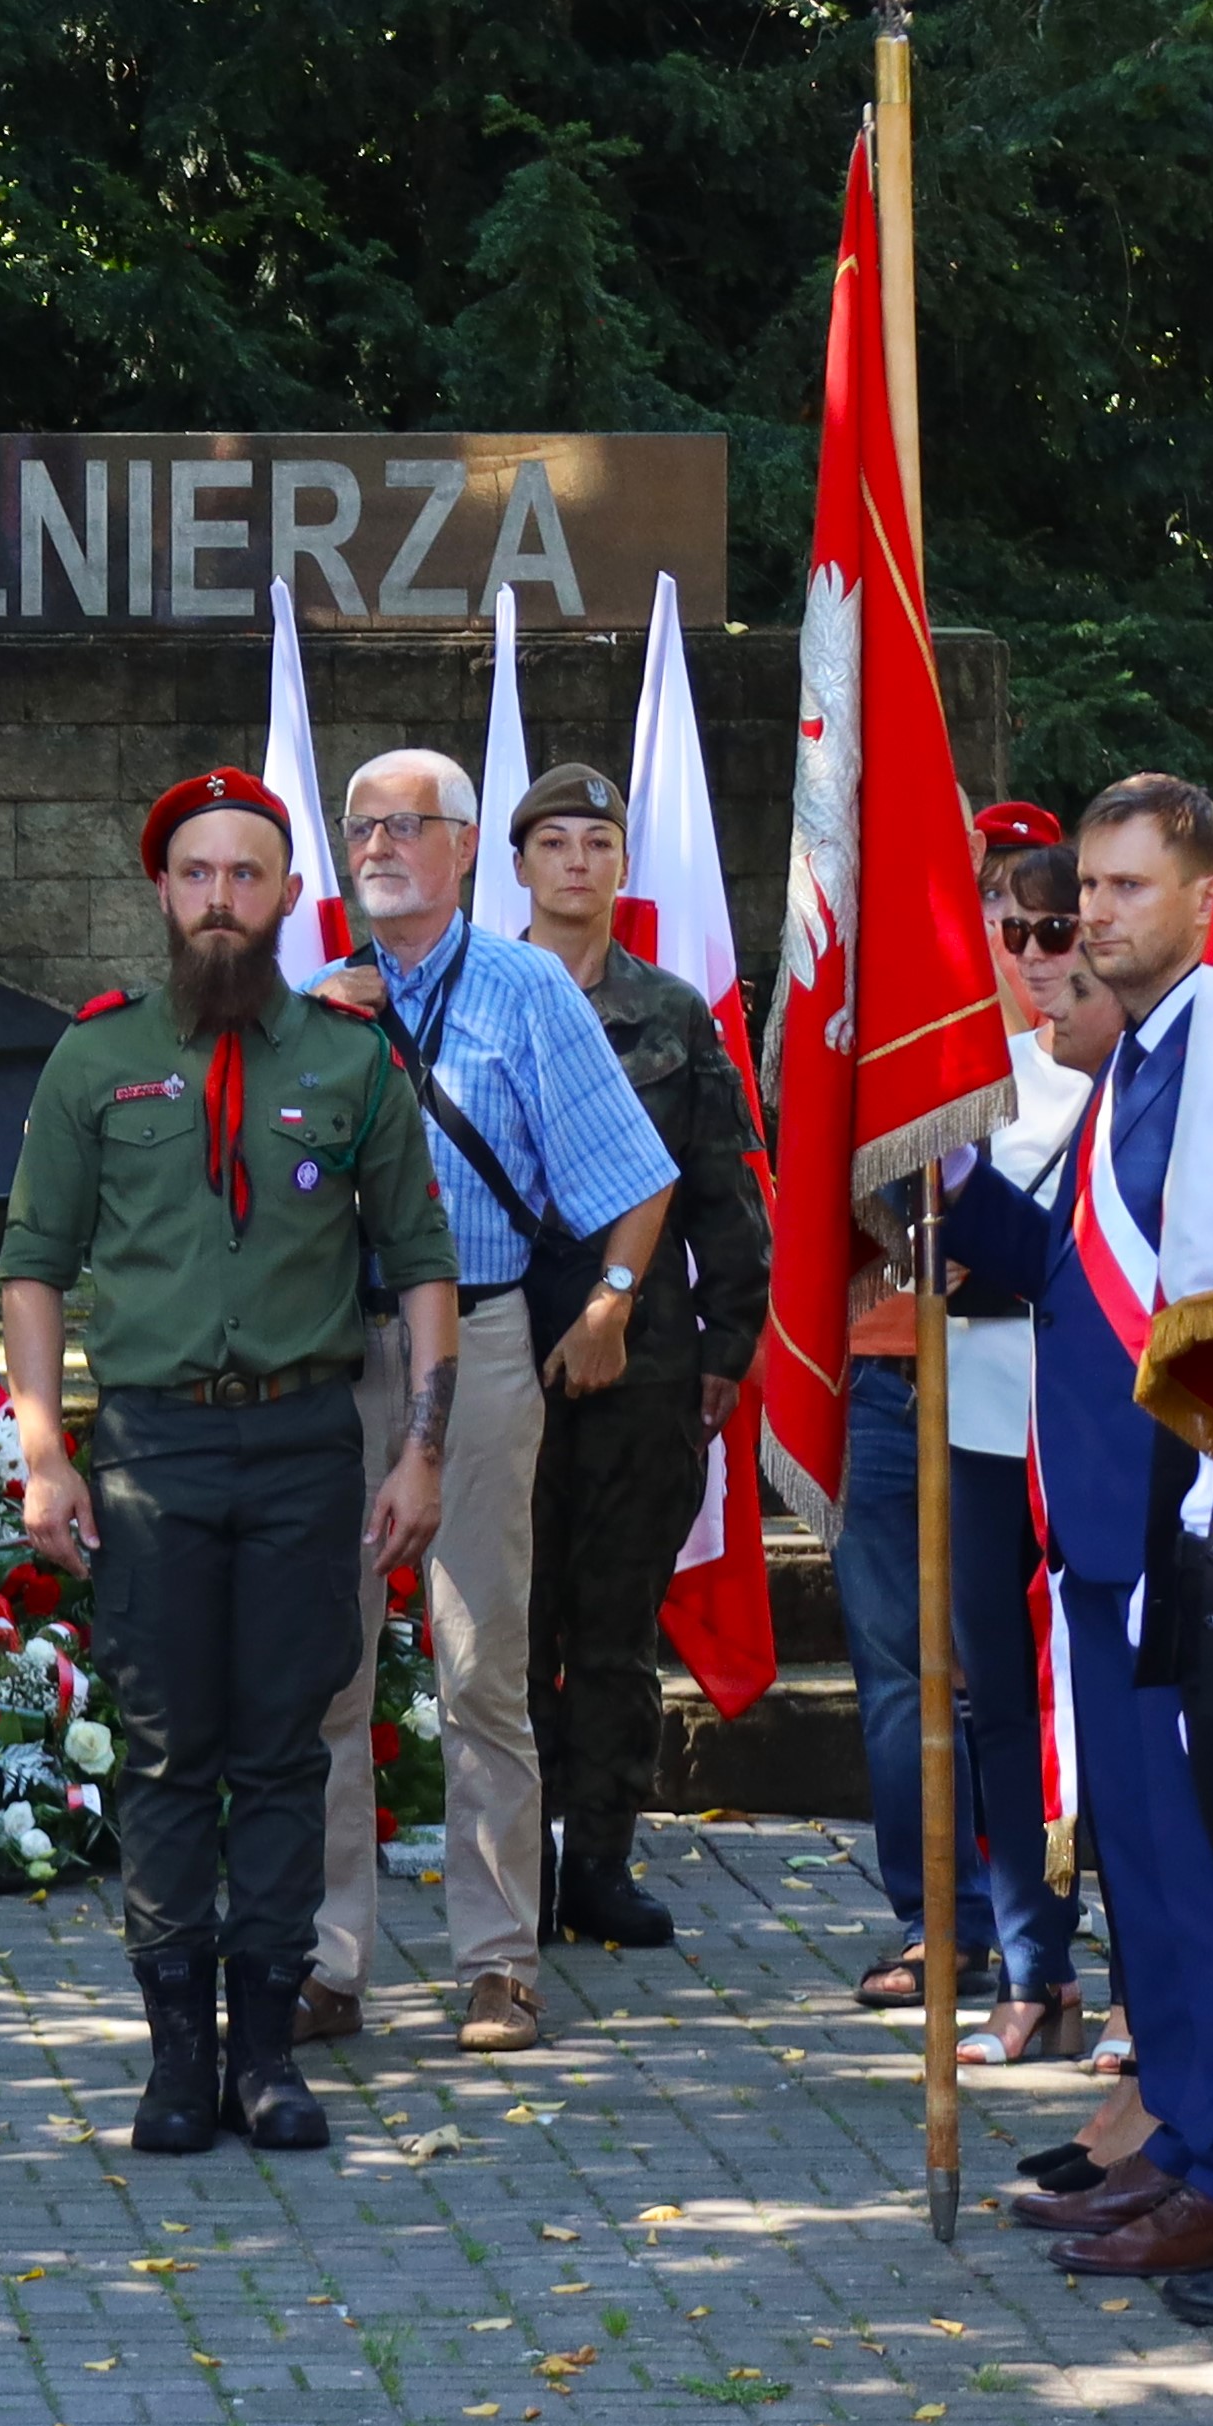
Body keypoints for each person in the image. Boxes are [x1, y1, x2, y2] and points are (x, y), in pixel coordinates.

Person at [935, 774, 1213, 2329]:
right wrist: (923, 1150)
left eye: (1125, 890)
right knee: (1148, 1866)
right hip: (1104, 1534)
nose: (1094, 918)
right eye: (1086, 896)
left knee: (1201, 1875)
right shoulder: (1143, 1055)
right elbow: (1057, 1262)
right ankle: (1196, 2130)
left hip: (1183, 1524)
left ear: (1207, 895)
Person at [5, 774, 454, 2156]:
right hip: (155, 1444)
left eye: (246, 876)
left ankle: (265, 2054)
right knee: (162, 1755)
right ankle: (170, 2062)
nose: (219, 899)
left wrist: (422, 1449)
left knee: (280, 1755)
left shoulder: (348, 1060)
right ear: (162, 892)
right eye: (196, 874)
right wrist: (43, 1449)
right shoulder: (96, 1060)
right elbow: (33, 1267)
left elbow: (426, 1267)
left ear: (280, 896)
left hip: (309, 1442)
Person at [302, 745, 675, 2054]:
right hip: (339, 1358)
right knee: (331, 1674)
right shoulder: (314, 1004)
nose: (385, 844)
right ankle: (325, 1960)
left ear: (466, 851)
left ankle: (499, 1960)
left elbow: (638, 1170)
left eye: (414, 825)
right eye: (364, 826)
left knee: (481, 1663)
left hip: (486, 1338)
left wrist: (614, 1299)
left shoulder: (526, 990)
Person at [499, 761, 761, 1953]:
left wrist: (728, 1340)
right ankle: (515, 1860)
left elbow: (721, 1185)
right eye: (552, 842)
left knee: (609, 1626)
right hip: (500, 1346)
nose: (574, 863)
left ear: (619, 867)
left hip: (642, 1362)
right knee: (510, 1623)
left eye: (596, 843)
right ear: (516, 865)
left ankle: (597, 1857)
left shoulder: (671, 1014)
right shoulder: (471, 999)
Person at [853, 834, 1088, 2057]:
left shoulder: (1122, 1071)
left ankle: (1134, 1988)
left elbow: (1063, 1255)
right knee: (991, 1692)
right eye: (1020, 930)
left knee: (1097, 1698)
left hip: (1093, 1411)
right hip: (976, 1400)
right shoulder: (947, 1080)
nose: (1045, 955)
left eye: (1067, 929)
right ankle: (1032, 1963)